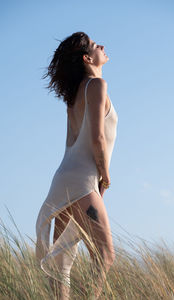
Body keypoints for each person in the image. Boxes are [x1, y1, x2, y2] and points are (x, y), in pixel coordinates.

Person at [35, 31, 118, 299]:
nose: (102, 46)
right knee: (105, 255)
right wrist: (105, 175)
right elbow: (97, 137)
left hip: (64, 178)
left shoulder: (74, 94)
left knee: (62, 262)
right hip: (82, 180)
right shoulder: (96, 85)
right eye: (96, 45)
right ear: (87, 57)